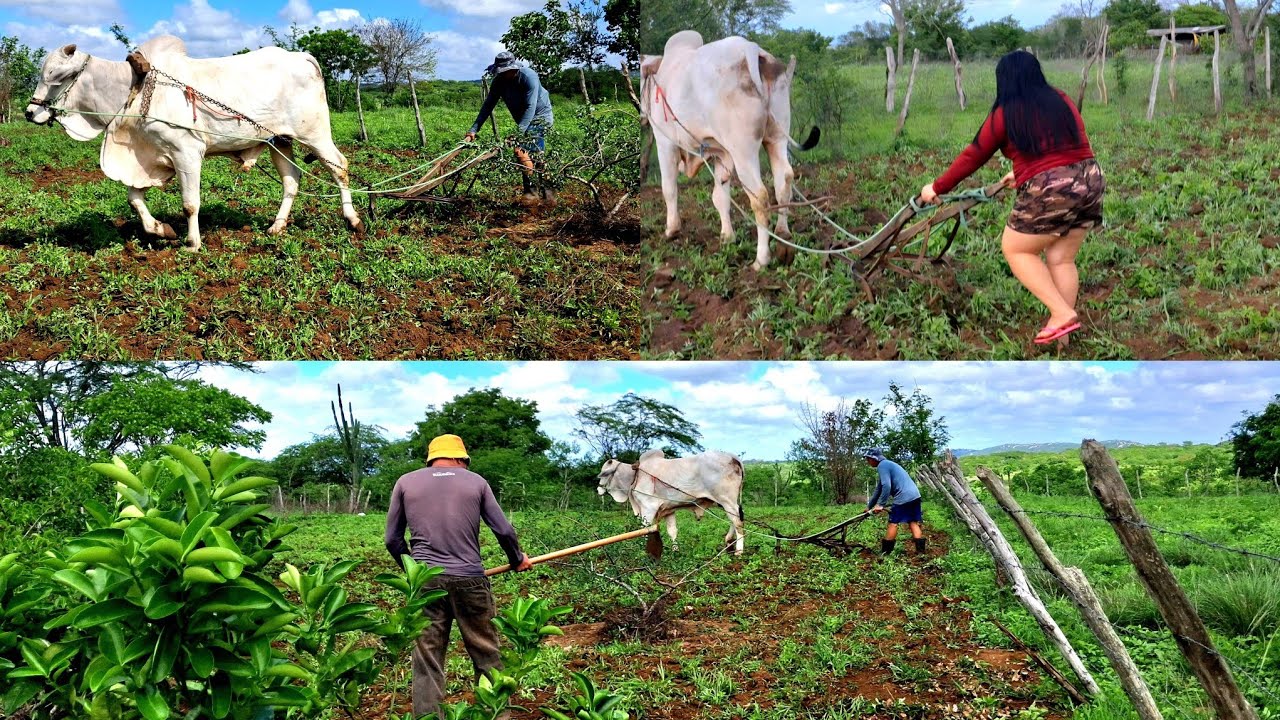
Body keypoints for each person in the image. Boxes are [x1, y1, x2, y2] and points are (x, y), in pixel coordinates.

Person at [920, 50, 1105, 346]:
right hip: (1090, 179)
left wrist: (937, 187)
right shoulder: (1060, 98)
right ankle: (1064, 337)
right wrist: (1023, 172)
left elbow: (974, 155)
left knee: (1016, 249)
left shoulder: (1005, 112)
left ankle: (1060, 313)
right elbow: (1066, 144)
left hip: (1049, 187)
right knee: (1060, 258)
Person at [384, 433, 534, 719]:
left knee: (427, 659)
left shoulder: (406, 481)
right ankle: (496, 715)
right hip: (470, 579)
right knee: (487, 654)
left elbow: (392, 539)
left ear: (431, 458)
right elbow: (503, 530)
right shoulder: (476, 481)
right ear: (461, 458)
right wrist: (517, 559)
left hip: (425, 581)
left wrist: (414, 573)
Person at [464, 51, 555, 205]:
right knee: (533, 156)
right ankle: (542, 192)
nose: (504, 74)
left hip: (540, 117)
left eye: (507, 71)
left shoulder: (528, 77)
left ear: (514, 68)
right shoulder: (499, 82)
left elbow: (530, 106)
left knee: (522, 152)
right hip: (523, 120)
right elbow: (488, 105)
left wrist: (517, 134)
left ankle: (535, 194)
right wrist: (473, 130)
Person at [863, 449, 925, 556]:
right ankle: (921, 552)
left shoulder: (882, 465)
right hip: (915, 495)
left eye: (868, 459)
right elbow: (879, 490)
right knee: (913, 522)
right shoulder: (888, 465)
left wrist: (881, 505)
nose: (867, 462)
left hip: (903, 497)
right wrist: (869, 507)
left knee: (893, 523)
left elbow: (887, 486)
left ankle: (885, 553)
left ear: (874, 459)